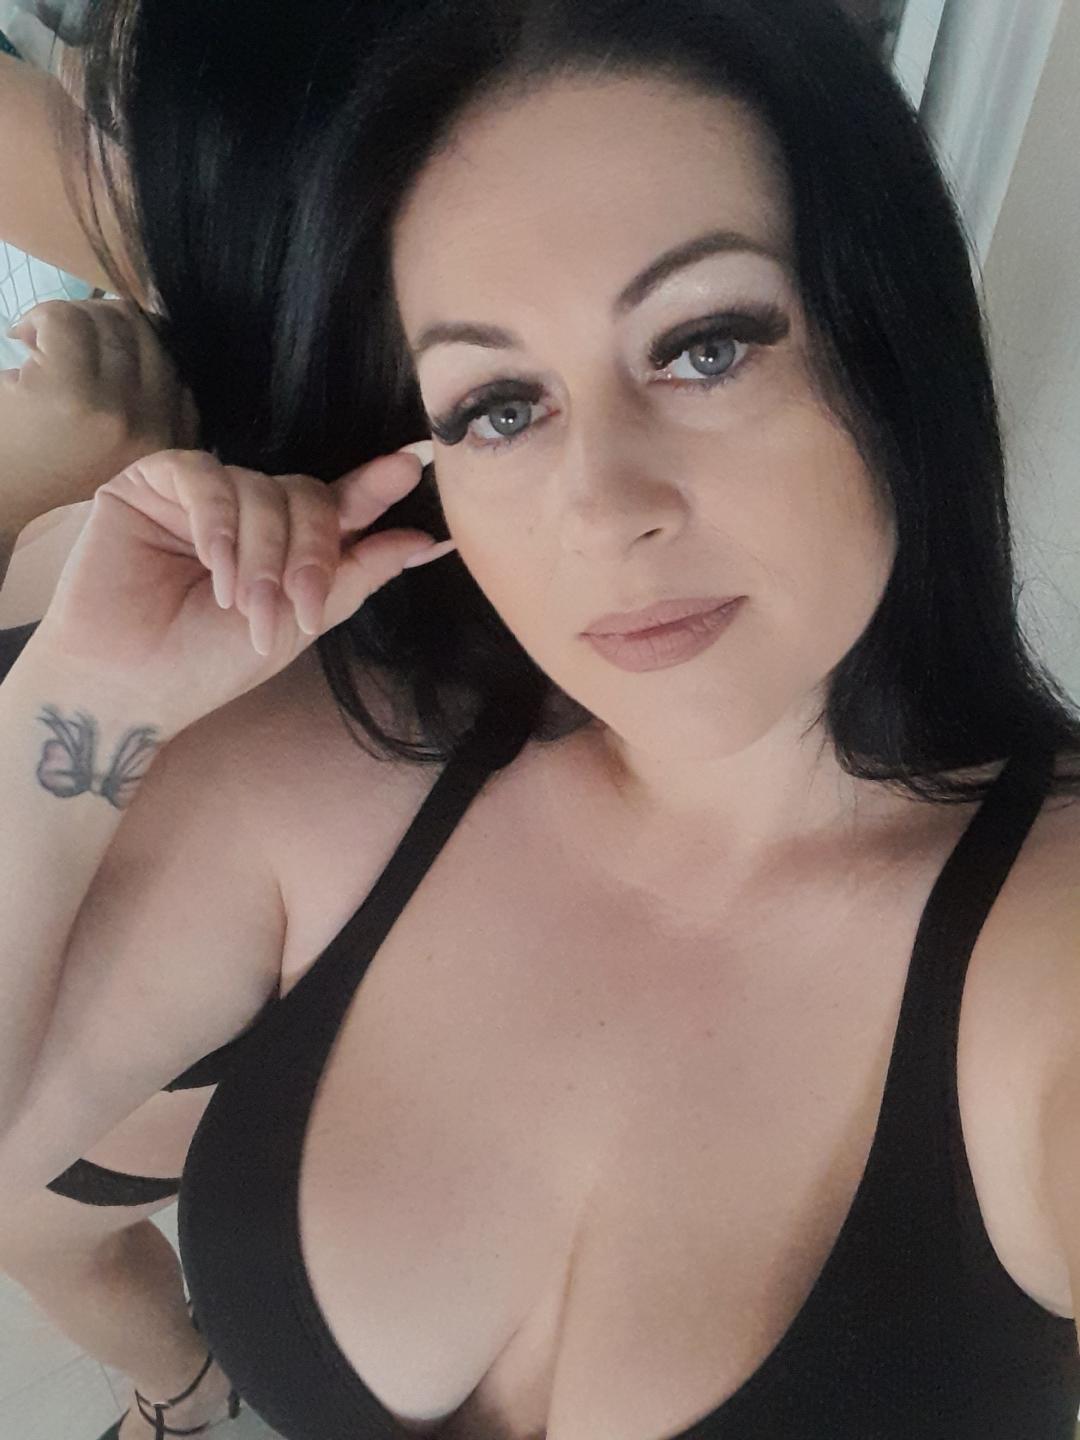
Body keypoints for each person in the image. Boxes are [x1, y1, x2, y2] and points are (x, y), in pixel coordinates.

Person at [3, 4, 1080, 1440]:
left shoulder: (1047, 953)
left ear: (893, 340)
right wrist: (83, 702)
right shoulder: (342, 767)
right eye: (502, 407)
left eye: (705, 347)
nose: (604, 509)